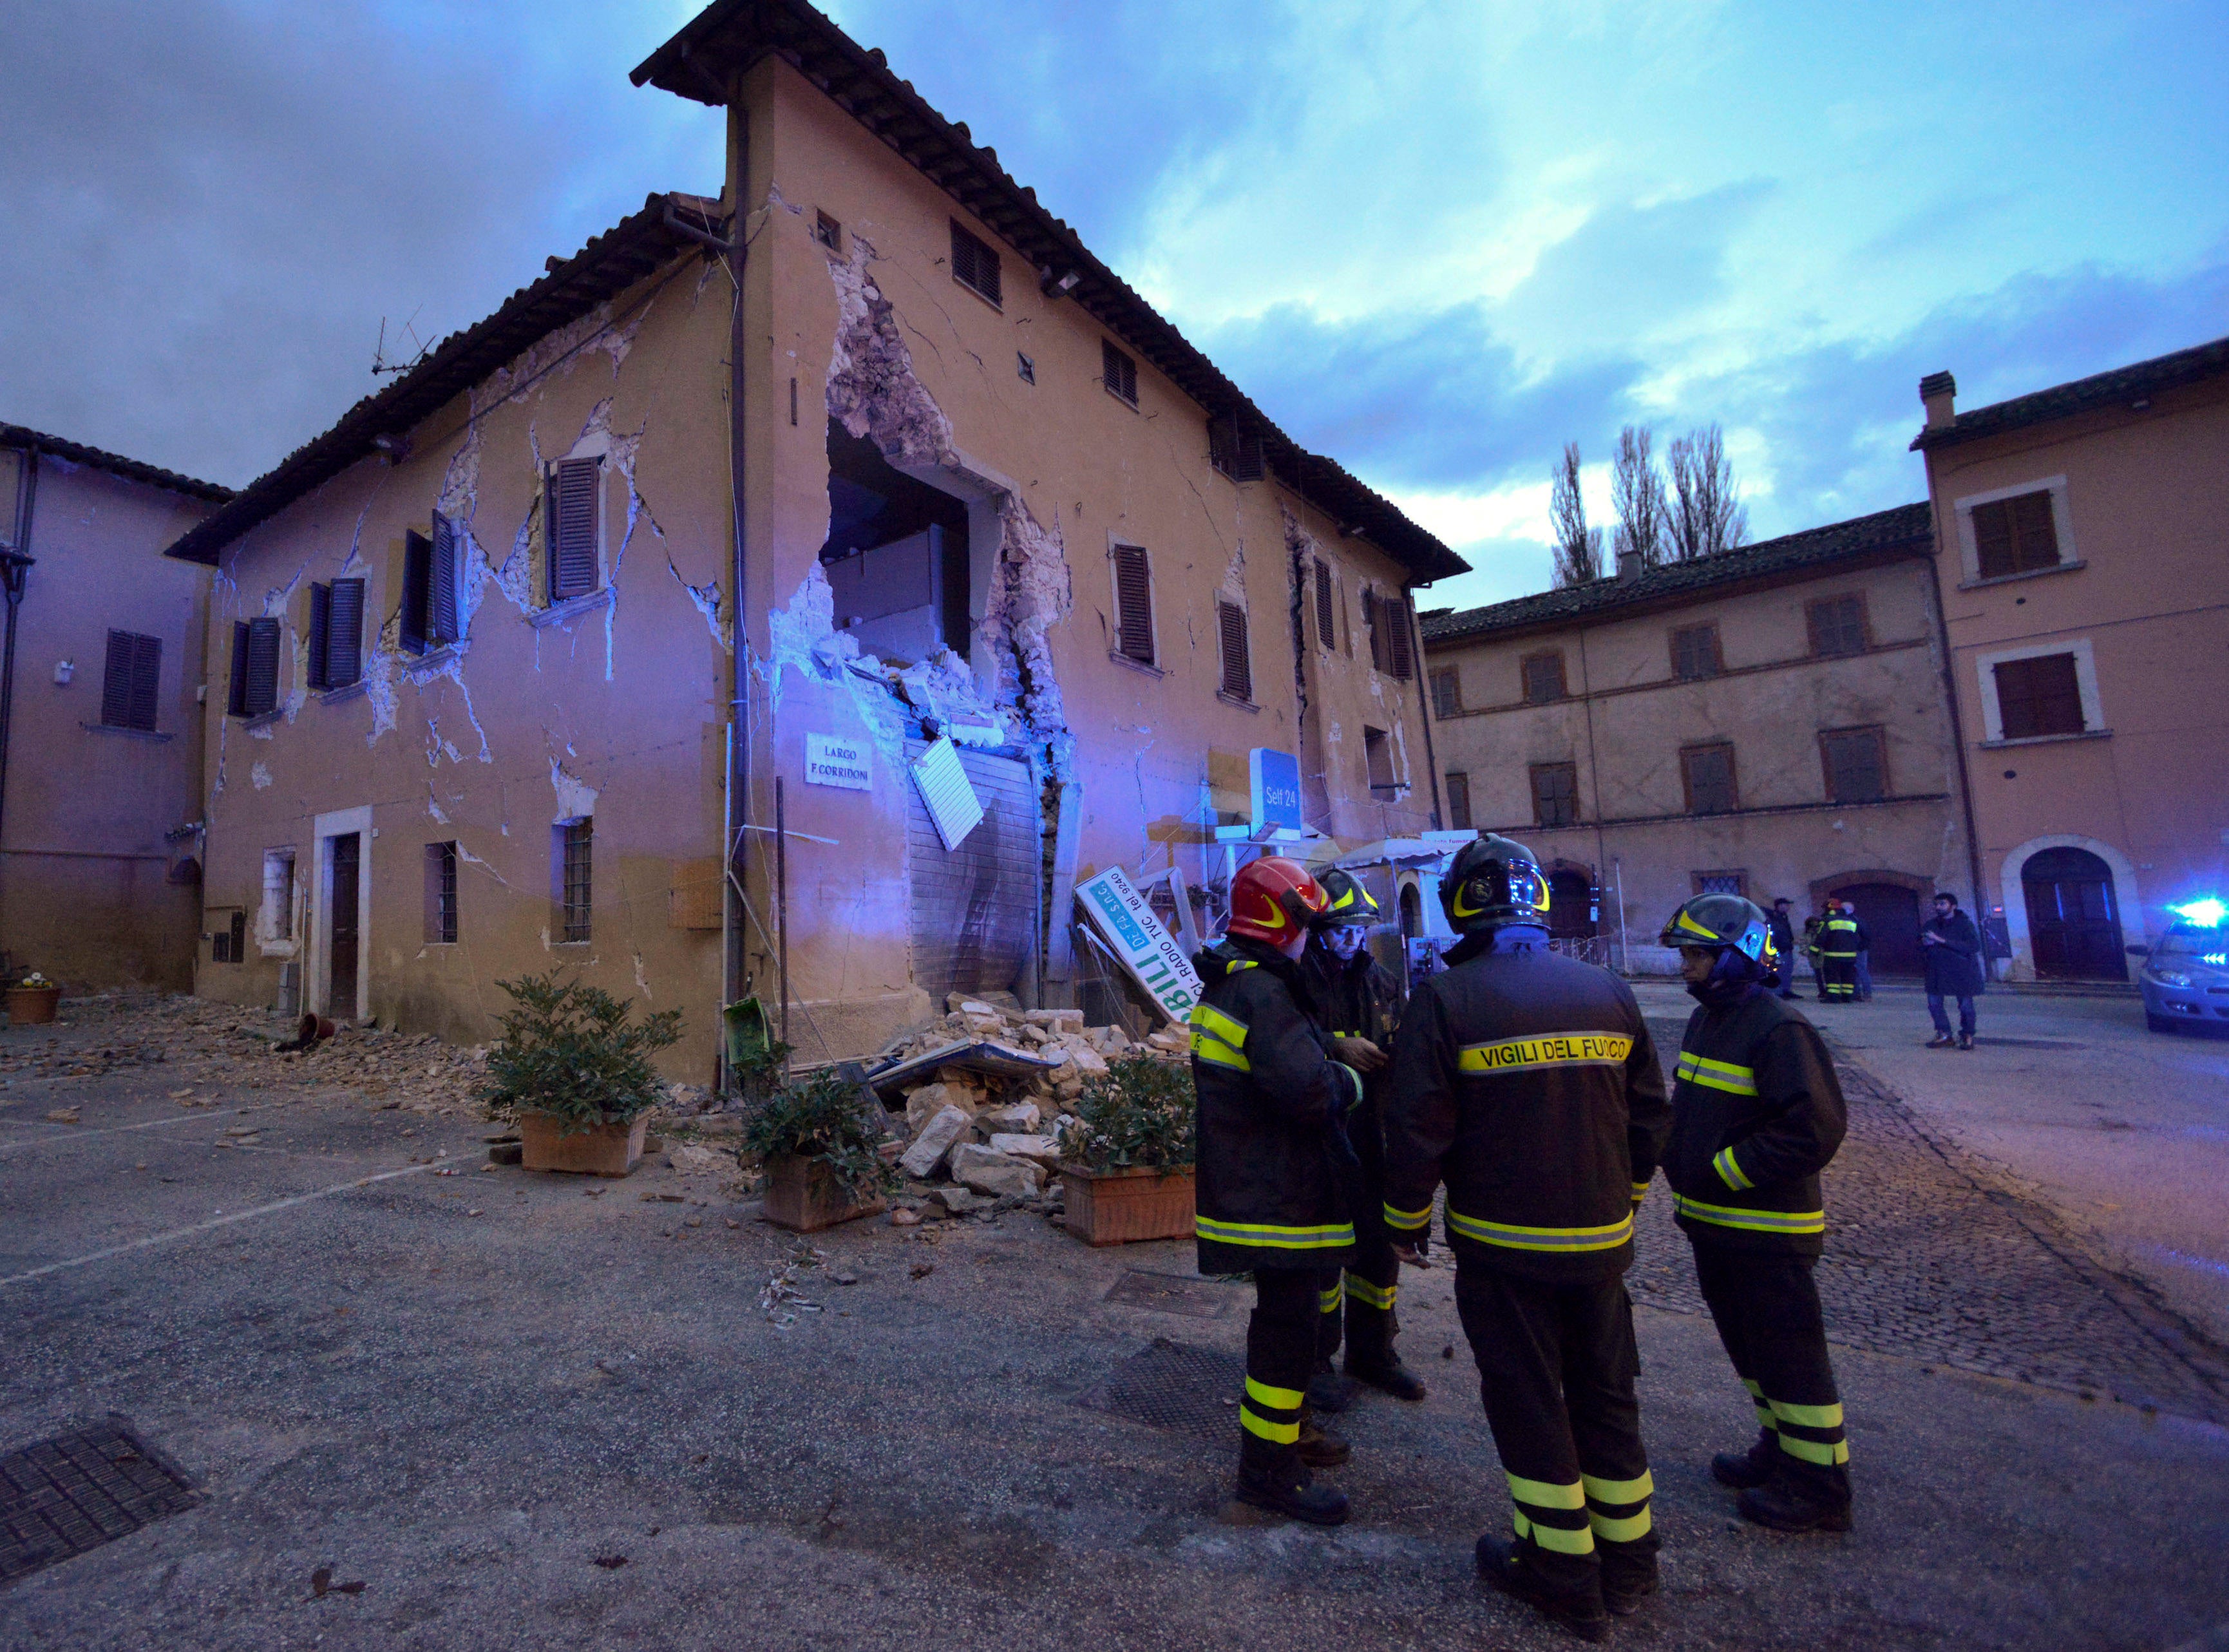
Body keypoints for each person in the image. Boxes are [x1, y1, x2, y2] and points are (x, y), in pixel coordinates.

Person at [1382, 835, 1672, 1640]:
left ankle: (1558, 1572)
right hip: (1602, 1245)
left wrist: (1404, 1223)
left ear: (1458, 907)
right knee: (1607, 1394)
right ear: (1537, 903)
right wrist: (1625, 1196)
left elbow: (1417, 1129)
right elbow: (1650, 1114)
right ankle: (1630, 1561)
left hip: (1503, 1249)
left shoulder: (1444, 1000)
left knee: (1528, 1400)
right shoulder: (1607, 989)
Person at [1657, 893, 1854, 1535]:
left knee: (1790, 1358)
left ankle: (1820, 1487)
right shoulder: (1710, 1018)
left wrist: (1719, 1173)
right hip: (1716, 1229)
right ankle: (1781, 1449)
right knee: (1752, 1353)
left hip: (1765, 1233)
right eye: (1684, 954)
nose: (1685, 967)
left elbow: (1812, 1130)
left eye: (1696, 954)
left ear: (1737, 954)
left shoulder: (1776, 1027)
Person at [1190, 855, 1365, 1526]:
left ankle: (1287, 1438)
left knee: (1288, 1327)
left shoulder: (1237, 982)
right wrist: (1352, 1083)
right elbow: (1306, 1092)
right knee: (1285, 1339)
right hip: (1276, 1197)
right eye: (1305, 919)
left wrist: (1327, 1043)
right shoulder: (1260, 992)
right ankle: (1267, 1476)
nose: (1310, 934)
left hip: (1257, 1187)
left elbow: (1279, 1050)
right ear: (1278, 920)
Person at [1297, 868, 1427, 1410]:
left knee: (1377, 1253)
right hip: (1319, 1140)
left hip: (1371, 1139)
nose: (1354, 941)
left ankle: (1373, 1353)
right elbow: (1284, 1045)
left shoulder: (1380, 981)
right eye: (1342, 930)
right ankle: (1316, 1360)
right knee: (1324, 1255)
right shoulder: (1293, 979)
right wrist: (1335, 1045)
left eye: (1361, 930)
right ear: (1317, 929)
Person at [1921, 891, 1984, 1050]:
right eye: (1936, 904)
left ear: (1953, 906)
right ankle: (1944, 1034)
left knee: (1965, 1006)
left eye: (1942, 904)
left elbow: (1973, 946)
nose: (1938, 907)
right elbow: (1921, 941)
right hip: (1936, 970)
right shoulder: (1932, 924)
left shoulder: (1964, 924)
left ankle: (1967, 1035)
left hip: (1961, 970)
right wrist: (1925, 942)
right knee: (1934, 1003)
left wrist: (1940, 940)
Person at [1816, 902, 1862, 1003]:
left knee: (1832, 977)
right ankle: (1847, 998)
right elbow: (1858, 938)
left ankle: (1833, 998)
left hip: (1832, 955)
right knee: (1848, 977)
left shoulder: (1828, 920)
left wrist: (1815, 949)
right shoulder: (1851, 921)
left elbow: (1821, 936)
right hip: (1850, 956)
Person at [1767, 898, 1799, 1000]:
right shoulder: (1774, 918)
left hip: (1786, 948)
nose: (1788, 907)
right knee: (1778, 971)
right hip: (1779, 949)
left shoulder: (1783, 918)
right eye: (1786, 905)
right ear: (1780, 906)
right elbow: (1775, 934)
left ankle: (1786, 990)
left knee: (1787, 971)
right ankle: (1778, 993)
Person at [1845, 902, 1874, 1001]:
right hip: (1856, 949)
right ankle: (1857, 994)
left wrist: (1859, 948)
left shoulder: (1854, 921)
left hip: (1858, 949)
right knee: (1856, 971)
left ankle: (1867, 994)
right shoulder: (1856, 920)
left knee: (1861, 970)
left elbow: (1865, 936)